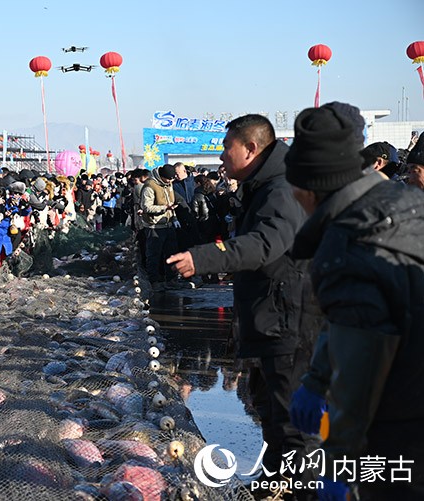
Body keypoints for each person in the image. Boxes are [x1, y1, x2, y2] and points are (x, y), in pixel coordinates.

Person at [167, 114, 320, 496]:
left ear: (251, 149)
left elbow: (265, 244)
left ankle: (303, 490)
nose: (221, 157)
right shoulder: (264, 184)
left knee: (293, 424)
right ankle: (274, 485)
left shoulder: (282, 189)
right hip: (272, 316)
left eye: (225, 148)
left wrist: (203, 259)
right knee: (269, 412)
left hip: (290, 320)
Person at [287, 103, 424, 500]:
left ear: (311, 188)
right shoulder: (405, 202)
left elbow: (362, 365)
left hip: (405, 424)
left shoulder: (347, 244)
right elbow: (354, 318)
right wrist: (316, 379)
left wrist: (339, 461)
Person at [140, 163, 180, 292]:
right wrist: (164, 208)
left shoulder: (169, 184)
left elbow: (171, 202)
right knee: (154, 254)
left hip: (168, 223)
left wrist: (174, 218)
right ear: (162, 177)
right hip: (154, 226)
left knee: (171, 253)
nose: (170, 181)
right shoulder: (150, 186)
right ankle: (155, 281)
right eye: (168, 179)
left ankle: (171, 279)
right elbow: (146, 207)